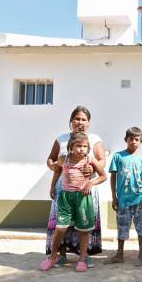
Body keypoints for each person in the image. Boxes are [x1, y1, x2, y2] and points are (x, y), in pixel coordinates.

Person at [45, 106, 105, 268]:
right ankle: (61, 255)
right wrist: (55, 167)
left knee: (84, 222)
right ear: (71, 121)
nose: (80, 122)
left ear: (89, 122)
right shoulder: (61, 139)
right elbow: (51, 160)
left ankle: (84, 255)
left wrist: (92, 168)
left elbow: (101, 161)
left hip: (85, 189)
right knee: (62, 223)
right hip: (64, 188)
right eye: (77, 119)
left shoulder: (94, 139)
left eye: (83, 119)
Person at [106, 127, 142, 267]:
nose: (133, 142)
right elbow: (113, 177)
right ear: (126, 140)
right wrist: (114, 197)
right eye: (131, 139)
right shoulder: (118, 156)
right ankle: (119, 254)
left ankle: (141, 255)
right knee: (122, 227)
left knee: (141, 228)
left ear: (141, 142)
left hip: (140, 200)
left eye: (136, 139)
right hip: (123, 201)